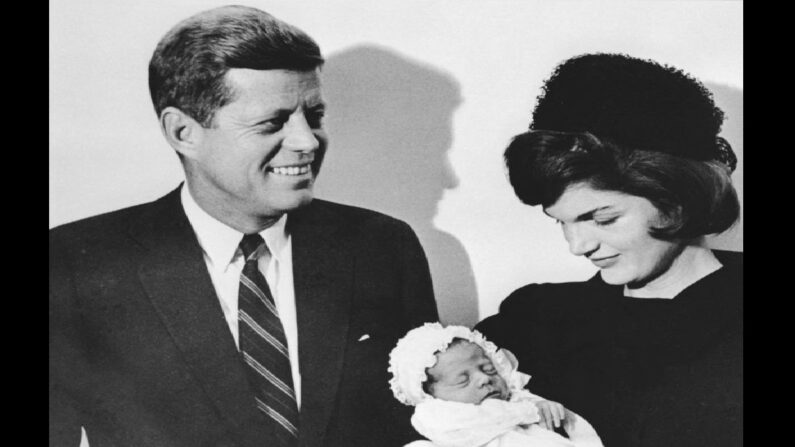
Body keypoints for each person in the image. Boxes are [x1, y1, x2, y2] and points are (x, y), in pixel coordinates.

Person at [49, 5, 438, 447]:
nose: (307, 142)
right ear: (182, 132)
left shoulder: (383, 247)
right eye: (272, 122)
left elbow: (434, 422)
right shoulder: (74, 265)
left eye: (313, 116)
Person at [475, 53, 742, 447]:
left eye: (603, 219)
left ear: (677, 200)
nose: (577, 246)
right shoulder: (533, 322)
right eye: (561, 222)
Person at [388, 323, 604, 447]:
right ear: (431, 396)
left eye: (489, 369)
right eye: (463, 380)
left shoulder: (517, 399)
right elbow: (479, 423)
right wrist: (527, 412)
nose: (484, 379)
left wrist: (547, 409)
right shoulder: (438, 416)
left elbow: (580, 431)